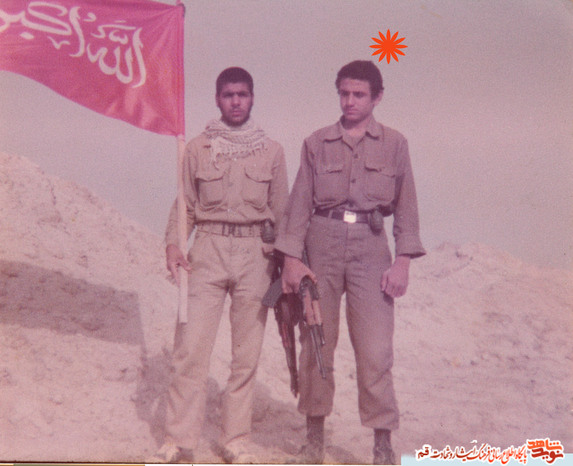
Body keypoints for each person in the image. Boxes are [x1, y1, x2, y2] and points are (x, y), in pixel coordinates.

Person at [273, 60, 425, 464]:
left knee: (375, 350)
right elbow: (299, 204)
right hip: (321, 245)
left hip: (371, 249)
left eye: (359, 94)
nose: (350, 101)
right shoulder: (316, 143)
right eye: (344, 93)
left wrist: (403, 262)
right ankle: (314, 438)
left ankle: (382, 443)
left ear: (377, 97)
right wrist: (291, 260)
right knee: (316, 341)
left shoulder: (395, 144)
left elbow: (407, 207)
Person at [156, 67, 289, 463]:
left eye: (242, 94)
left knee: (245, 356)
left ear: (252, 98)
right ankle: (179, 440)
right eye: (228, 95)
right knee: (190, 348)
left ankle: (235, 439)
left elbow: (281, 211)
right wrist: (174, 244)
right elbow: (185, 204)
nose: (235, 102)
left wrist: (286, 263)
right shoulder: (198, 148)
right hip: (208, 250)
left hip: (255, 255)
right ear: (217, 99)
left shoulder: (272, 151)